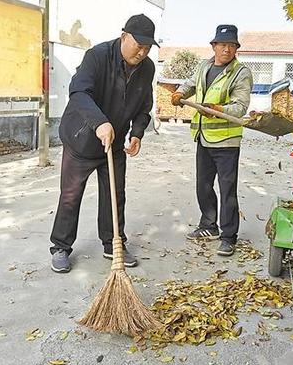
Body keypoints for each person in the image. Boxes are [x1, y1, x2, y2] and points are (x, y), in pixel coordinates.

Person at [49, 14, 157, 273]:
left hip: (115, 140)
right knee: (71, 196)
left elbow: (144, 107)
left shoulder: (147, 68)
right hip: (82, 139)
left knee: (115, 195)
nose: (142, 52)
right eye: (137, 45)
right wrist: (99, 123)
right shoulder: (97, 56)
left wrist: (138, 133)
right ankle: (61, 246)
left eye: (147, 47)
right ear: (123, 37)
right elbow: (78, 92)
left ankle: (113, 243)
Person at [170, 25, 253, 256]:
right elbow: (189, 85)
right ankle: (208, 225)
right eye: (222, 44)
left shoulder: (241, 72)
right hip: (204, 137)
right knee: (203, 185)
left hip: (226, 141)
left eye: (231, 45)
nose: (227, 49)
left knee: (227, 190)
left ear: (236, 48)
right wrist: (179, 94)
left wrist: (217, 109)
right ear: (214, 46)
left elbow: (240, 106)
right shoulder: (204, 66)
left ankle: (229, 237)